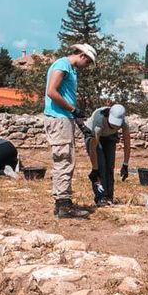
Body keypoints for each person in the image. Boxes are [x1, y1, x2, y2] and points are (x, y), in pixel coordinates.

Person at [44, 44, 96, 218]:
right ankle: (64, 206)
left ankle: (62, 203)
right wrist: (73, 110)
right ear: (82, 55)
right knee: (64, 160)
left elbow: (66, 98)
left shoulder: (70, 69)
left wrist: (80, 122)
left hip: (64, 118)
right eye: (87, 62)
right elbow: (52, 92)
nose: (87, 66)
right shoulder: (62, 65)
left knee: (66, 159)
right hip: (58, 119)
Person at [84, 103, 132, 206]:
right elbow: (93, 148)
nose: (115, 126)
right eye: (113, 123)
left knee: (110, 166)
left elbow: (127, 144)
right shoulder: (99, 120)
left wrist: (125, 164)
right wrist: (95, 169)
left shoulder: (124, 122)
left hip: (109, 136)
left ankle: (108, 197)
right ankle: (100, 197)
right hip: (93, 136)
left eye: (117, 124)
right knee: (101, 166)